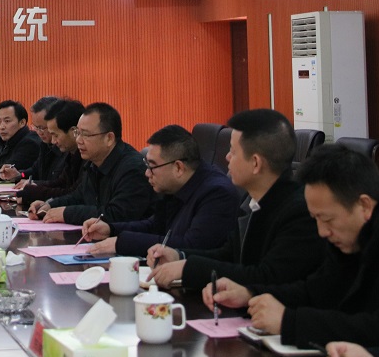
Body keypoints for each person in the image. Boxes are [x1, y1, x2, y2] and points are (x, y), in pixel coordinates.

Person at [204, 144, 379, 348]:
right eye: (316, 219)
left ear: (364, 205)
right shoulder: (349, 234)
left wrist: (289, 322)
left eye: (327, 219)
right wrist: (250, 294)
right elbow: (316, 291)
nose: (322, 232)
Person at [147, 108, 326, 290]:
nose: (227, 157)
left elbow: (266, 276)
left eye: (233, 151)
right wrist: (179, 256)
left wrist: (188, 268)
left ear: (255, 163)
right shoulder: (253, 201)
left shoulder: (298, 212)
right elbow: (229, 255)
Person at [81, 124, 239, 257]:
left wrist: (122, 242)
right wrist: (111, 229)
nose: (147, 173)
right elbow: (155, 225)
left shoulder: (217, 193)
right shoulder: (176, 184)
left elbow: (191, 246)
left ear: (178, 167)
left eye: (152, 166)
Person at [31, 102, 153, 224]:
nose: (78, 140)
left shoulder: (132, 169)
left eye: (85, 134)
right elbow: (78, 197)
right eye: (77, 133)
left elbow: (117, 214)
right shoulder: (93, 163)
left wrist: (66, 213)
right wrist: (50, 205)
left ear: (109, 138)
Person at [18, 99, 85, 206]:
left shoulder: (87, 157)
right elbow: (62, 182)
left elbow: (76, 194)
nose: (53, 141)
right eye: (36, 127)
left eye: (56, 135)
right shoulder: (70, 153)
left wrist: (36, 192)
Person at [0, 95, 59, 183]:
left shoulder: (65, 149)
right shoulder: (45, 145)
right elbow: (35, 170)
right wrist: (19, 175)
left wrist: (36, 184)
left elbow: (62, 184)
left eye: (42, 127)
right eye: (36, 127)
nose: (39, 132)